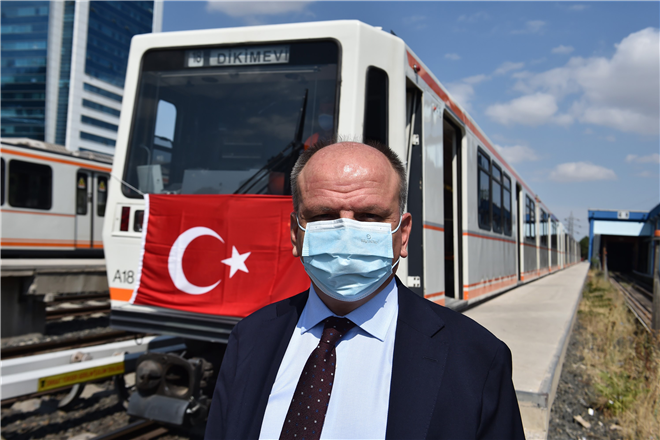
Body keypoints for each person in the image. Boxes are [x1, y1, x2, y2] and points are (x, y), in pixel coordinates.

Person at [205, 141, 525, 440]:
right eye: (323, 216)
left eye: (369, 216)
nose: (346, 234)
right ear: (294, 233)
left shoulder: (477, 358)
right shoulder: (250, 337)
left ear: (403, 234)